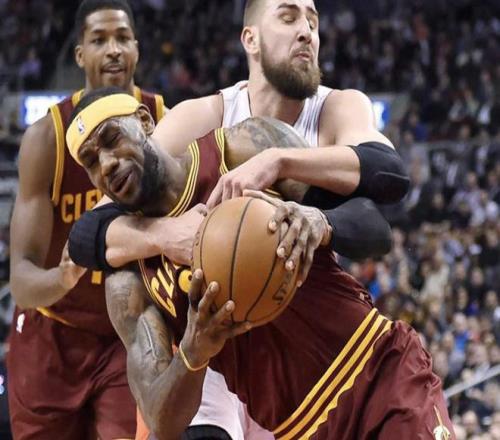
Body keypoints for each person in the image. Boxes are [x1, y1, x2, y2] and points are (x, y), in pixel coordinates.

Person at [67, 89, 454, 440]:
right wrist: (192, 354)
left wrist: (322, 221)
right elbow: (160, 420)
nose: (107, 164)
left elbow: (376, 228)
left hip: (378, 370)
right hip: (300, 428)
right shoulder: (128, 277)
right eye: (91, 161)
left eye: (112, 139)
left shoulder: (240, 150)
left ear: (145, 121)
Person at [7, 1, 164, 438]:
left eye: (122, 38)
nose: (113, 49)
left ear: (137, 48)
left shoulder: (165, 120)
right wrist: (63, 277)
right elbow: (21, 279)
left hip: (128, 335)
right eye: (99, 40)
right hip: (53, 335)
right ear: (79, 55)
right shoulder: (47, 137)